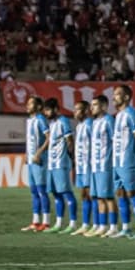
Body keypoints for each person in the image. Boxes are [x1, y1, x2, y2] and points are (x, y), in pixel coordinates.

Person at [112, 84, 135, 239]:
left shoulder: (132, 114)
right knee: (120, 194)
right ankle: (125, 228)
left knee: (132, 193)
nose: (114, 97)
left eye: (118, 94)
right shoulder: (118, 115)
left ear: (126, 97)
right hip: (117, 161)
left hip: (128, 160)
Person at [43, 98, 78, 233]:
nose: (46, 113)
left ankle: (73, 223)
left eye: (48, 110)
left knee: (67, 193)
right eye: (45, 110)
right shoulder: (52, 123)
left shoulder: (63, 121)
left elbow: (70, 141)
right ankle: (58, 223)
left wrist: (71, 158)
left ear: (56, 109)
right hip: (51, 164)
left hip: (61, 163)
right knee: (56, 194)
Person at [87, 94, 118, 238]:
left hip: (106, 165)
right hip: (95, 166)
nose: (91, 107)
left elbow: (115, 141)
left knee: (108, 197)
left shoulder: (109, 120)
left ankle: (113, 227)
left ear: (104, 106)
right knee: (98, 197)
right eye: (91, 105)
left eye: (95, 105)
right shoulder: (94, 123)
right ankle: (101, 226)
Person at [22, 95, 50, 232]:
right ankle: (35, 221)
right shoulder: (30, 121)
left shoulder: (41, 120)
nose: (27, 106)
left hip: (40, 161)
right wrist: (27, 154)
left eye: (30, 103)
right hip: (31, 161)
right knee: (34, 192)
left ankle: (46, 222)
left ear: (38, 107)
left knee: (41, 191)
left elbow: (49, 138)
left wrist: (38, 153)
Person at [71, 100, 94, 236]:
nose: (75, 112)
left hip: (89, 165)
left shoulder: (90, 124)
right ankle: (85, 224)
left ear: (86, 111)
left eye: (78, 109)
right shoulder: (79, 126)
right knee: (83, 195)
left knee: (92, 195)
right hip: (81, 165)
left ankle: (97, 224)